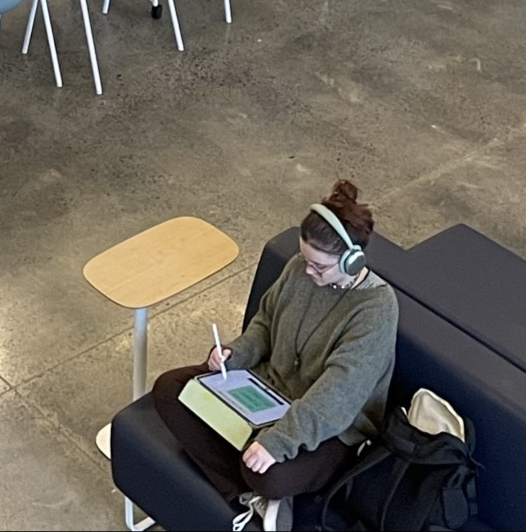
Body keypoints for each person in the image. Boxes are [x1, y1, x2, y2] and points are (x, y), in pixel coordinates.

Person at [147, 181, 400, 530]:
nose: (308, 272)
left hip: (329, 430)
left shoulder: (376, 309)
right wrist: (234, 354)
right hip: (265, 392)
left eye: (320, 267)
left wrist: (277, 443)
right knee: (170, 388)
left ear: (353, 259)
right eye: (306, 259)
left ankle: (256, 478)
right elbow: (265, 324)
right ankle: (245, 493)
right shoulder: (299, 268)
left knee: (272, 475)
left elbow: (338, 397)